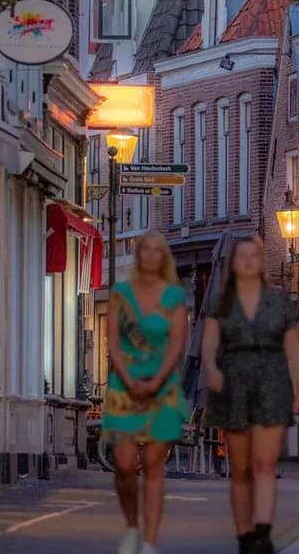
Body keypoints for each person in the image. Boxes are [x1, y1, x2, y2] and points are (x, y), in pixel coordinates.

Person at [202, 237, 299, 554]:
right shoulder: (220, 302)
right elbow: (209, 344)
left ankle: (262, 532)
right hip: (232, 385)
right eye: (242, 256)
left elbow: (294, 351)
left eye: (254, 256)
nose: (248, 261)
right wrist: (212, 370)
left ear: (261, 262)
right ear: (234, 263)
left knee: (265, 463)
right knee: (240, 468)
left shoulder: (279, 303)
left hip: (272, 383)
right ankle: (244, 534)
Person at [101, 231, 192, 554]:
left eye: (157, 250)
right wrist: (127, 378)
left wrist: (156, 383)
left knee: (154, 462)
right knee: (125, 465)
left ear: (163, 257)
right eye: (146, 250)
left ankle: (150, 541)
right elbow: (112, 341)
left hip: (161, 385)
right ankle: (131, 524)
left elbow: (177, 344)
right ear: (138, 255)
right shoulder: (119, 295)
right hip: (124, 385)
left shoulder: (174, 297)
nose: (151, 255)